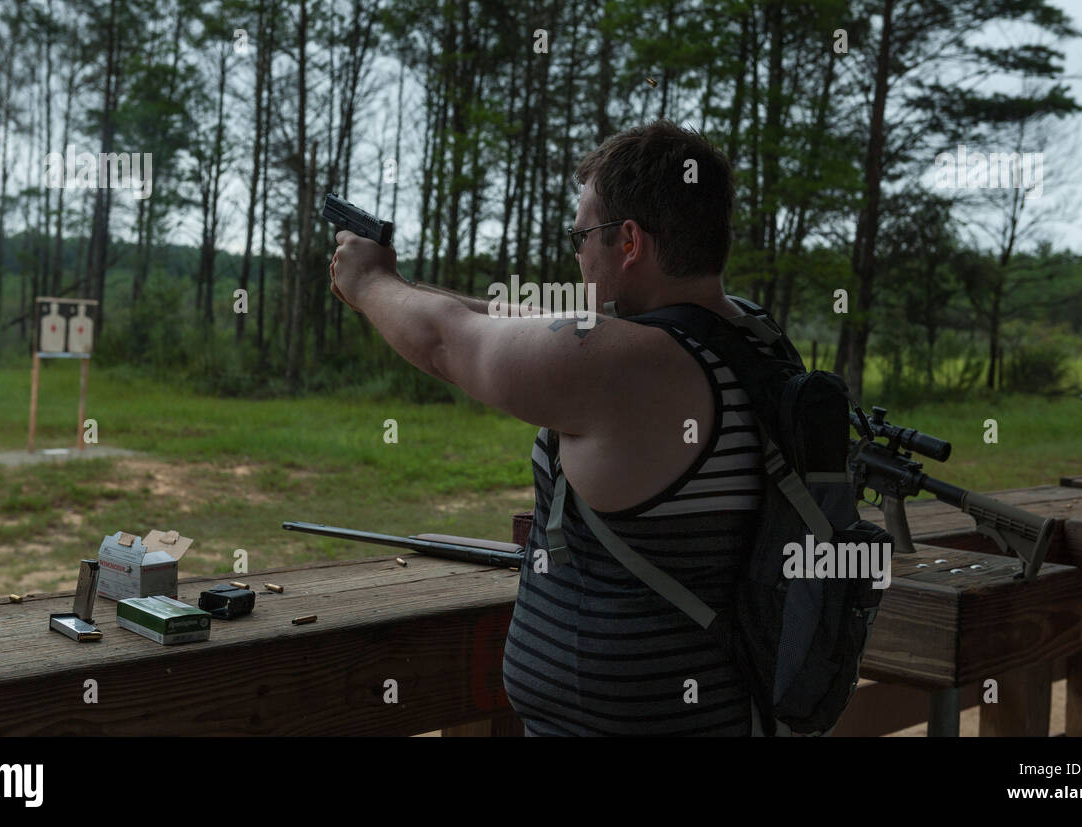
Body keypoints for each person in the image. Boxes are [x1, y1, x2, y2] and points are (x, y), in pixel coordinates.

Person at [329, 119, 769, 735]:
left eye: (582, 234)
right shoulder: (749, 335)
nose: (578, 251)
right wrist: (404, 286)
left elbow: (444, 344)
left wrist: (369, 283)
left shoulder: (634, 365)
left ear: (630, 242)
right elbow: (531, 322)